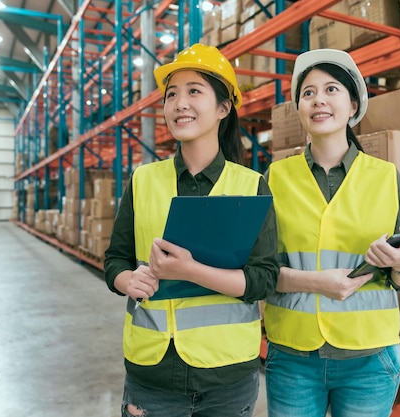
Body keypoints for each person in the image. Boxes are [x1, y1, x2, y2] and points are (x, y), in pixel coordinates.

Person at [103, 43, 280, 417]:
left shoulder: (250, 186)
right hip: (152, 372)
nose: (179, 103)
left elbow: (263, 279)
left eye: (194, 91)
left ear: (223, 108)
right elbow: (115, 260)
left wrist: (189, 271)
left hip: (227, 375)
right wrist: (126, 281)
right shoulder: (143, 180)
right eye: (171, 94)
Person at [263, 48, 400, 417]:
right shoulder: (276, 178)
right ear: (300, 108)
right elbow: (260, 272)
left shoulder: (385, 177)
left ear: (353, 105)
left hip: (370, 358)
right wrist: (318, 283)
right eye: (308, 92)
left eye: (331, 89)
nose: (319, 99)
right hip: (292, 355)